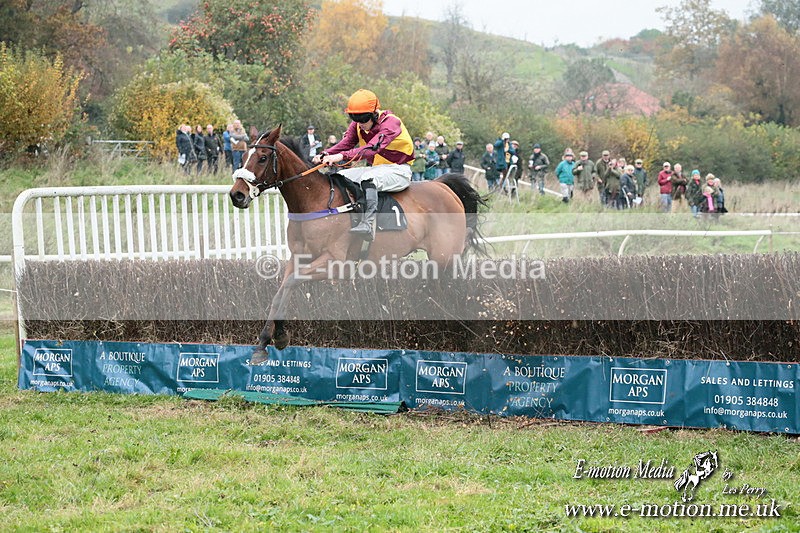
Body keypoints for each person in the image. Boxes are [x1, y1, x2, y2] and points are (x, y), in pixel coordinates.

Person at [313, 89, 414, 240]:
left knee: (368, 179)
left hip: (399, 170)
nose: (360, 124)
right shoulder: (358, 124)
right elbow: (346, 143)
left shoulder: (391, 122)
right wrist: (325, 153)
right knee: (339, 176)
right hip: (376, 169)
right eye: (356, 119)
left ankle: (367, 224)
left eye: (363, 119)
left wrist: (340, 156)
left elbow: (372, 148)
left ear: (374, 114)